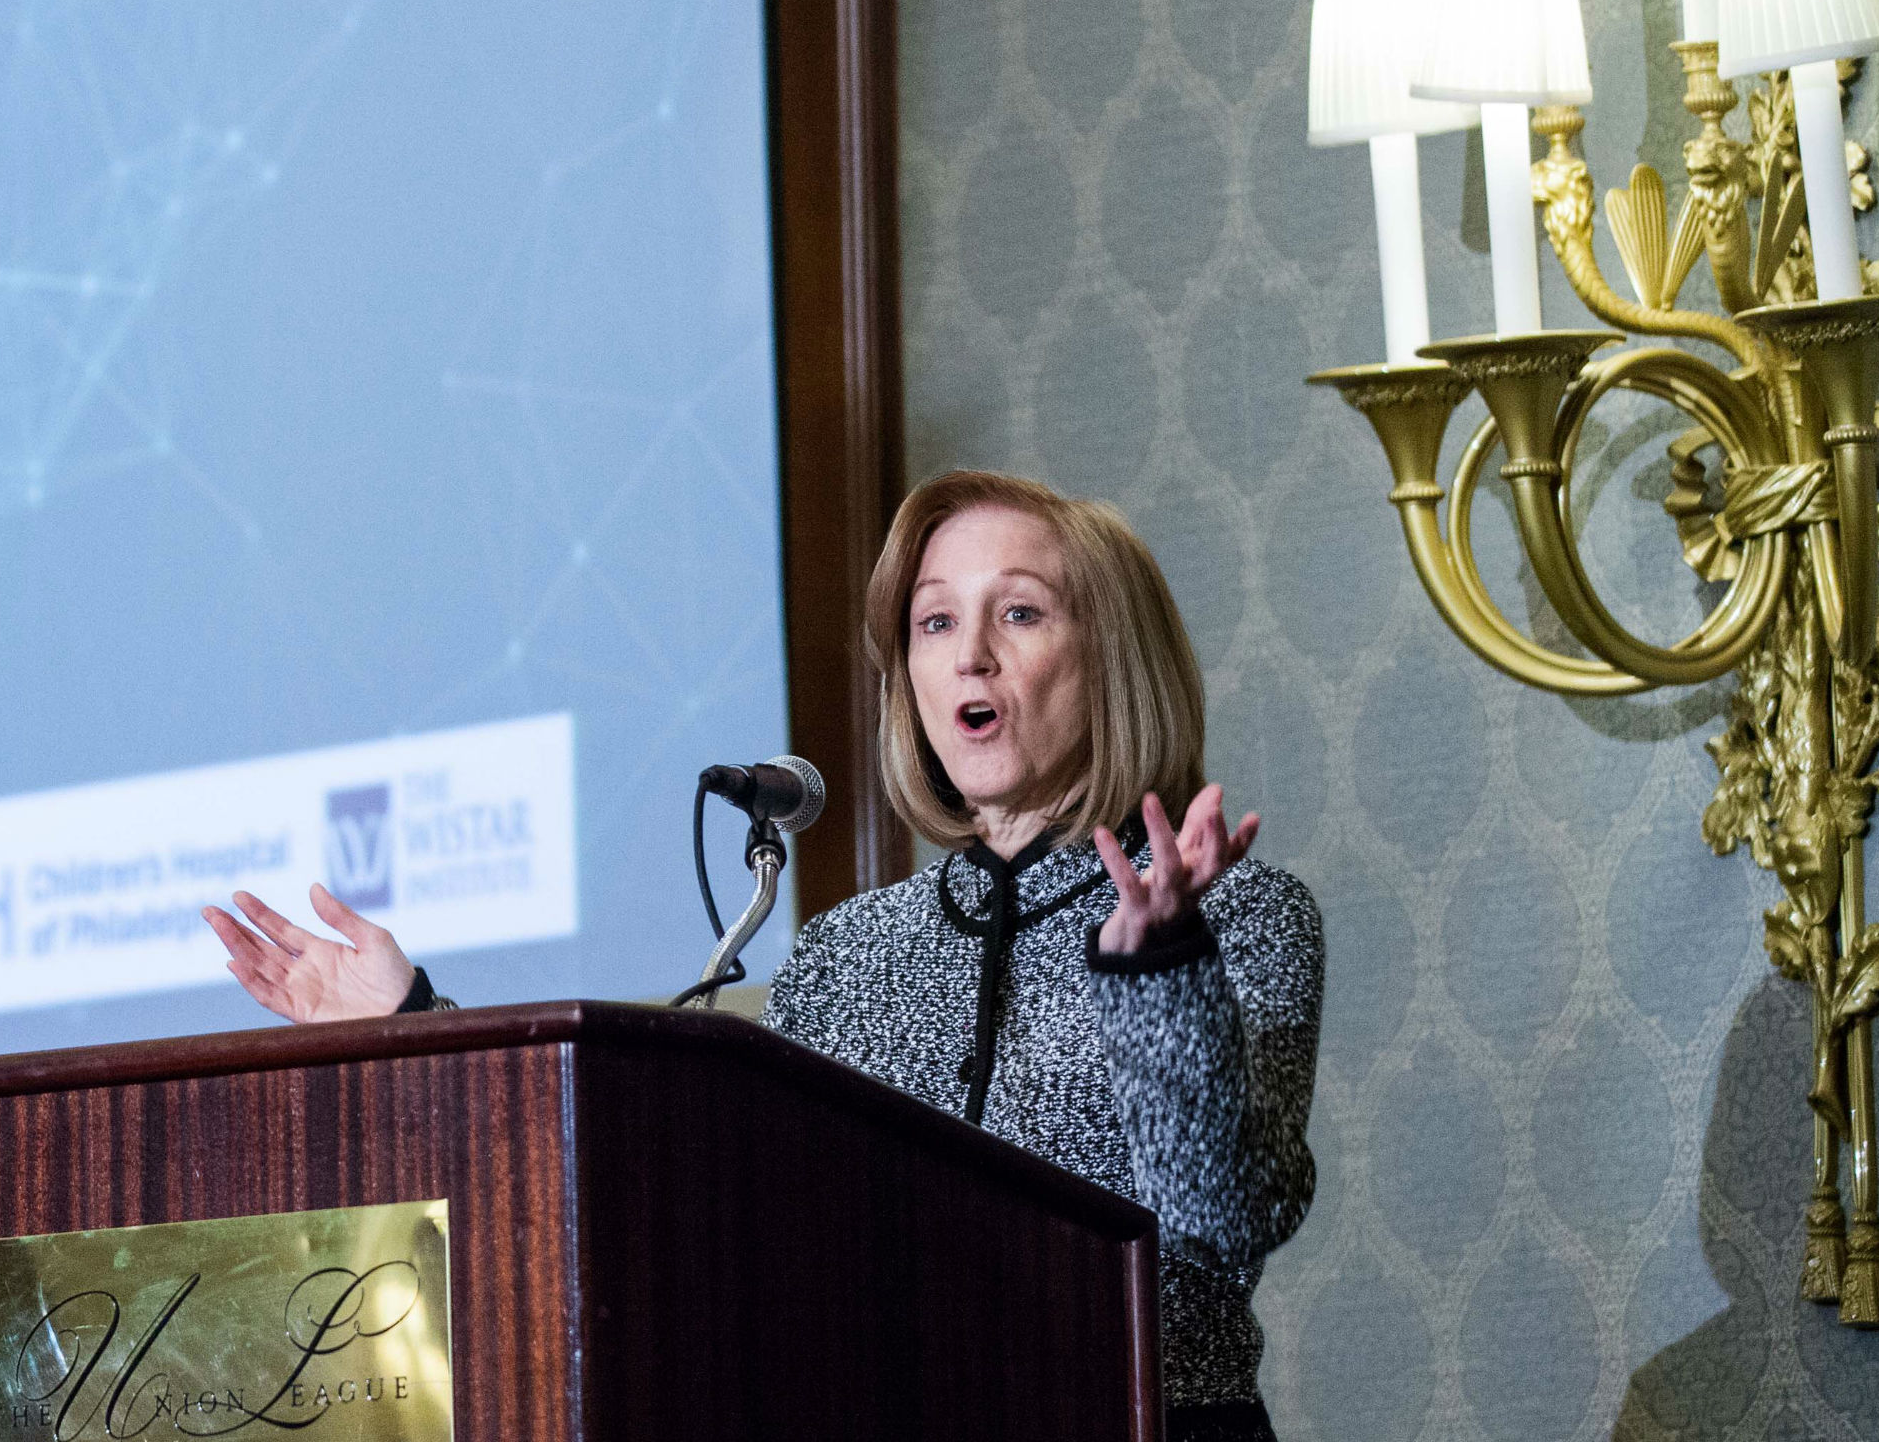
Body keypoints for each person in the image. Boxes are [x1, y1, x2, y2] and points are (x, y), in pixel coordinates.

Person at [201, 469, 1322, 1441]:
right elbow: (696, 1196)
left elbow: (1221, 1224)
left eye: (1019, 611)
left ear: (1112, 656)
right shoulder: (848, 952)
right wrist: (416, 1021)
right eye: (933, 622)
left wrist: (1160, 968)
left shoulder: (1242, 912)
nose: (968, 651)